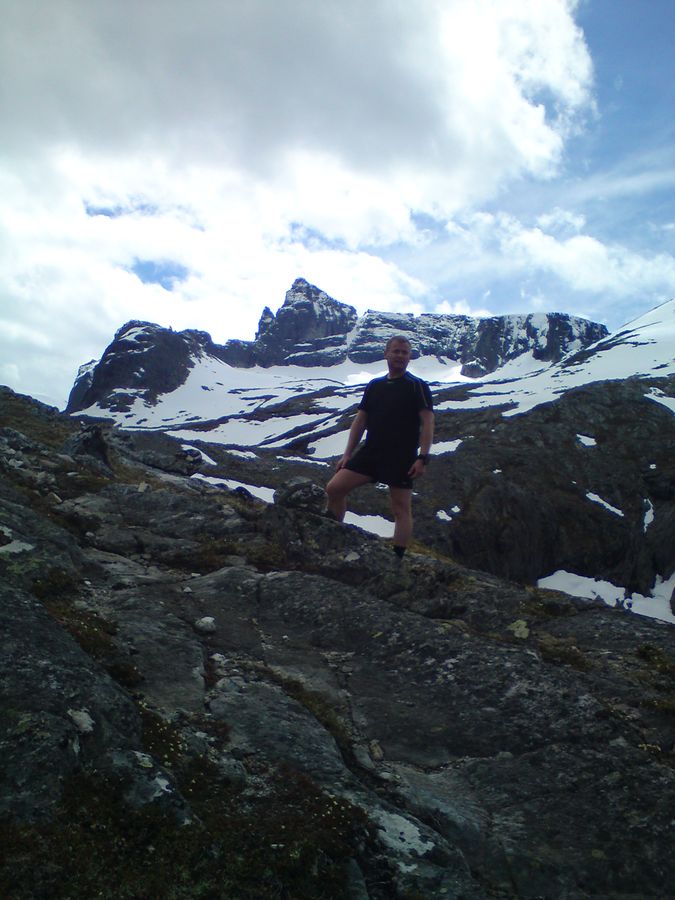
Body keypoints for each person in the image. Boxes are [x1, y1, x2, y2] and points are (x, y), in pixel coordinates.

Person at [325, 335, 434, 559]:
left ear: (409, 357)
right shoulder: (375, 386)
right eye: (396, 351)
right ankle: (333, 536)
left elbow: (428, 421)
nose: (400, 356)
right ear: (386, 354)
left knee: (401, 509)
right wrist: (347, 454)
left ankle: (397, 559)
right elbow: (360, 420)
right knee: (334, 488)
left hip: (401, 456)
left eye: (405, 353)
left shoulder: (417, 386)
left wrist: (423, 457)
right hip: (371, 452)